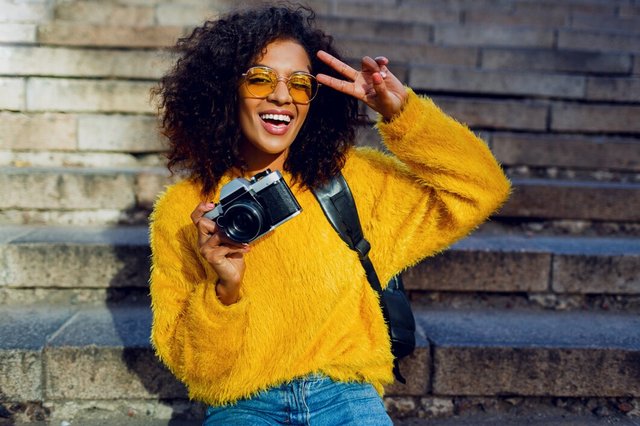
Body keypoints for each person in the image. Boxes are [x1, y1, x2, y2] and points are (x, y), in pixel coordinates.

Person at [149, 3, 510, 425]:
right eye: (261, 79)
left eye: (300, 84)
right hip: (245, 404)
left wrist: (404, 114)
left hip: (345, 396)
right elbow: (195, 367)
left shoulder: (354, 179)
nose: (282, 96)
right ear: (224, 89)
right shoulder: (186, 210)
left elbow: (482, 188)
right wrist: (224, 292)